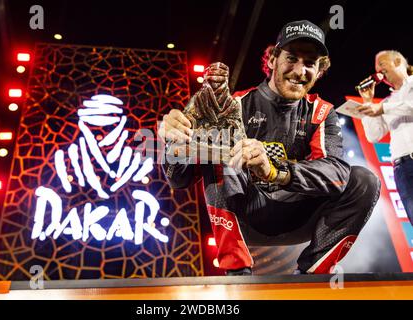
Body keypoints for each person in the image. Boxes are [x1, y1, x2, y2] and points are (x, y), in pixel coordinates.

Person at [158, 20, 380, 275]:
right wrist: (175, 143)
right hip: (245, 215)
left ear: (320, 71)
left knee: (365, 180)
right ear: (272, 59)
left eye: (310, 63)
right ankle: (236, 272)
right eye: (292, 58)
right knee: (222, 155)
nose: (299, 71)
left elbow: (338, 174)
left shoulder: (322, 111)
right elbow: (179, 179)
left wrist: (275, 172)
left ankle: (312, 276)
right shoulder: (234, 105)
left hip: (300, 218)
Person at [357, 50, 413, 225]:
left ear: (397, 61)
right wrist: (368, 102)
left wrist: (382, 110)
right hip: (402, 168)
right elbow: (374, 135)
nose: (378, 70)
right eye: (376, 67)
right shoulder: (386, 102)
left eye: (382, 64)